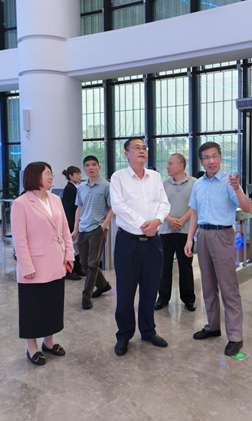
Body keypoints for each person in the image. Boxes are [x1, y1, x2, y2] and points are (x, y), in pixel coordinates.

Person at [184, 142, 252, 357]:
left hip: (223, 235)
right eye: (206, 157)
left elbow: (247, 208)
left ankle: (235, 336)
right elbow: (194, 213)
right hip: (203, 235)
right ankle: (212, 326)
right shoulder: (198, 184)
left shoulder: (229, 182)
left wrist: (237, 189)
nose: (211, 161)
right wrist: (189, 239)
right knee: (207, 285)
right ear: (201, 161)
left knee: (228, 287)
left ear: (221, 158)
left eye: (214, 156)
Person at [110, 137, 171, 356]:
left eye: (144, 147)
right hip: (128, 242)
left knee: (150, 290)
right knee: (125, 292)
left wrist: (157, 221)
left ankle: (148, 330)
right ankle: (124, 334)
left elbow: (164, 203)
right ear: (126, 154)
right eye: (136, 148)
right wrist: (143, 224)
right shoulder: (118, 177)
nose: (142, 150)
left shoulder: (155, 177)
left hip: (153, 242)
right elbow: (118, 206)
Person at [11, 162, 74, 366]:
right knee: (33, 308)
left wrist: (69, 255)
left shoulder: (55, 199)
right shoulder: (21, 203)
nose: (51, 176)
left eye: (51, 173)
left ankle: (49, 342)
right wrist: (26, 266)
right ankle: (32, 347)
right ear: (34, 176)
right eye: (47, 173)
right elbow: (19, 239)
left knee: (52, 305)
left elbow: (65, 230)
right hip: (34, 266)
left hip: (56, 262)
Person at [154, 153, 197, 312]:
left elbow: (195, 205)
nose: (167, 167)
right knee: (164, 265)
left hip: (186, 232)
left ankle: (188, 299)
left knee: (185, 266)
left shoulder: (194, 183)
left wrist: (183, 219)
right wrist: (170, 219)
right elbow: (159, 205)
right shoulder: (164, 184)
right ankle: (163, 298)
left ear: (181, 165)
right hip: (166, 230)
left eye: (170, 163)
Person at [71, 156, 113, 310]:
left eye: (93, 165)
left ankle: (86, 295)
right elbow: (79, 207)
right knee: (84, 262)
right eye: (87, 165)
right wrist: (75, 228)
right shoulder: (81, 187)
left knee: (92, 263)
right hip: (83, 228)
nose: (90, 168)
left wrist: (103, 225)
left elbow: (112, 208)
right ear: (84, 168)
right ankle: (103, 285)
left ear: (99, 167)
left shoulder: (106, 186)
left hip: (97, 229)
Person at [62, 166, 83, 280]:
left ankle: (78, 268)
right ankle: (70, 271)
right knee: (72, 246)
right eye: (77, 174)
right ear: (70, 176)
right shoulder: (69, 189)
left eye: (80, 174)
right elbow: (71, 208)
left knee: (76, 246)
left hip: (75, 221)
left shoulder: (76, 187)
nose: (80, 176)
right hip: (71, 222)